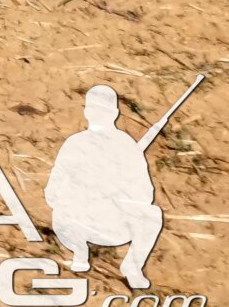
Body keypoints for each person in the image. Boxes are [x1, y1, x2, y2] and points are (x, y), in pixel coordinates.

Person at [46, 84, 165, 288]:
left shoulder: (126, 146)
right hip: (79, 220)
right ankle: (79, 251)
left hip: (115, 222)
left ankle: (132, 266)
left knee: (152, 215)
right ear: (86, 111)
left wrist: (119, 192)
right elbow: (52, 191)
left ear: (114, 113)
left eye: (102, 109)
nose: (98, 113)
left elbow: (146, 193)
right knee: (60, 212)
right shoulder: (75, 143)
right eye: (95, 108)